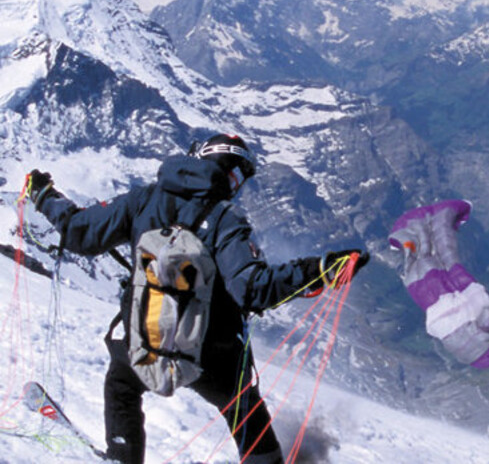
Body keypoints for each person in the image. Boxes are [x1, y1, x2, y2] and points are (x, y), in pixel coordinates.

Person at [27, 133, 369, 464]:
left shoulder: (144, 199)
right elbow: (251, 288)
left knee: (122, 385)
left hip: (145, 339)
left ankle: (122, 457)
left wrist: (44, 196)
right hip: (213, 356)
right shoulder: (224, 218)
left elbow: (81, 232)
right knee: (244, 410)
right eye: (237, 178)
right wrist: (320, 270)